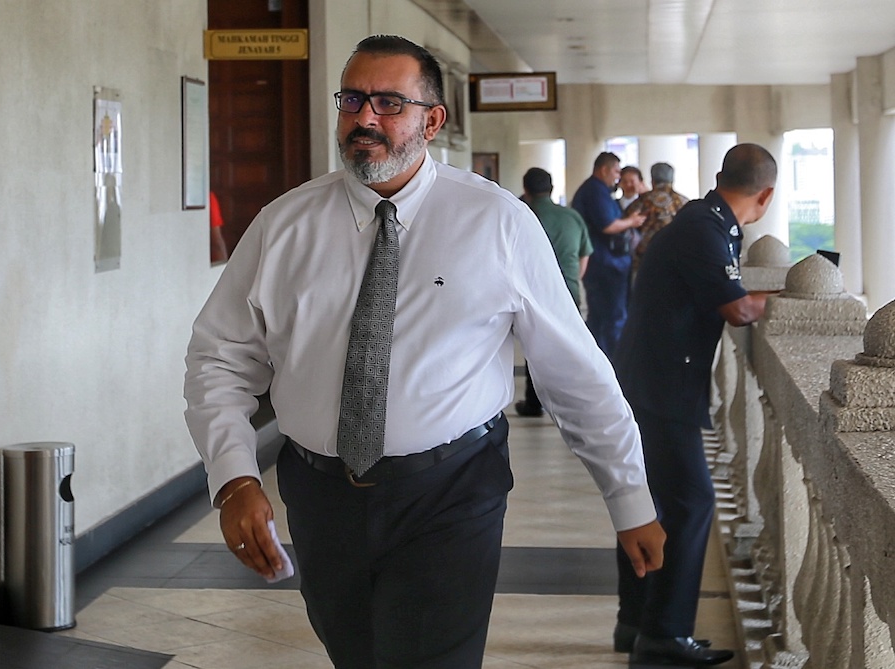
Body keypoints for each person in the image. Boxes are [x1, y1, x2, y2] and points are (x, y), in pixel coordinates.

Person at [183, 34, 665, 669]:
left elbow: (573, 372)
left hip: (451, 491)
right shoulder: (284, 226)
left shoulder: (496, 222)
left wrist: (628, 495)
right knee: (357, 656)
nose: (364, 119)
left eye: (388, 103)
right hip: (320, 497)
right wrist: (235, 477)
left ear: (432, 120)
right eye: (352, 99)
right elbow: (220, 357)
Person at [612, 143, 778, 666]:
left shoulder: (708, 222)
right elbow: (737, 308)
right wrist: (785, 297)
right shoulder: (704, 228)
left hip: (654, 382)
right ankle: (663, 634)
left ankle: (635, 622)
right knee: (689, 504)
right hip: (662, 389)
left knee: (655, 505)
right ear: (767, 195)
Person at [514, 166, 593, 417]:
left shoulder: (519, 215)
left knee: (534, 348)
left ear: (526, 190)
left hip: (531, 293)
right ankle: (574, 406)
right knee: (571, 348)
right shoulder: (572, 217)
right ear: (552, 189)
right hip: (569, 291)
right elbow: (584, 257)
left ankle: (533, 402)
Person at [571, 153, 645, 359]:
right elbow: (608, 225)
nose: (618, 178)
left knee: (599, 318)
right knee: (613, 318)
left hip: (607, 264)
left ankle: (597, 362)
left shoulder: (599, 190)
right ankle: (614, 364)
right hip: (607, 265)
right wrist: (631, 222)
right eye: (616, 172)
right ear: (604, 170)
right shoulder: (595, 191)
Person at [628, 162, 688, 275]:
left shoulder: (641, 202)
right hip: (676, 261)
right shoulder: (683, 202)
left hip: (645, 261)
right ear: (672, 180)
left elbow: (627, 226)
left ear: (652, 180)